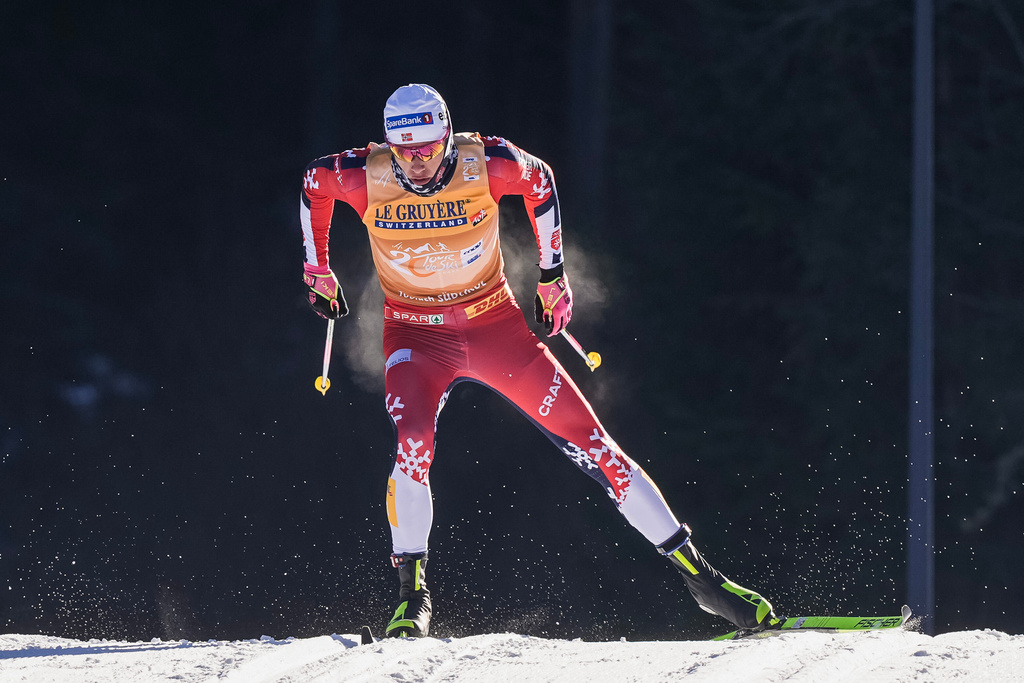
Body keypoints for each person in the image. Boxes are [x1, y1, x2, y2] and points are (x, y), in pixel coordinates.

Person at [298, 83, 777, 638]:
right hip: (416, 335)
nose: (417, 163)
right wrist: (317, 268)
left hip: (495, 328)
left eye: (428, 149)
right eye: (404, 151)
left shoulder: (486, 162)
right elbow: (313, 183)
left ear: (447, 137)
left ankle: (707, 582)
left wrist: (553, 274)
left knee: (596, 444)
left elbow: (540, 180)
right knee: (413, 443)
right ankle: (412, 596)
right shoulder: (365, 174)